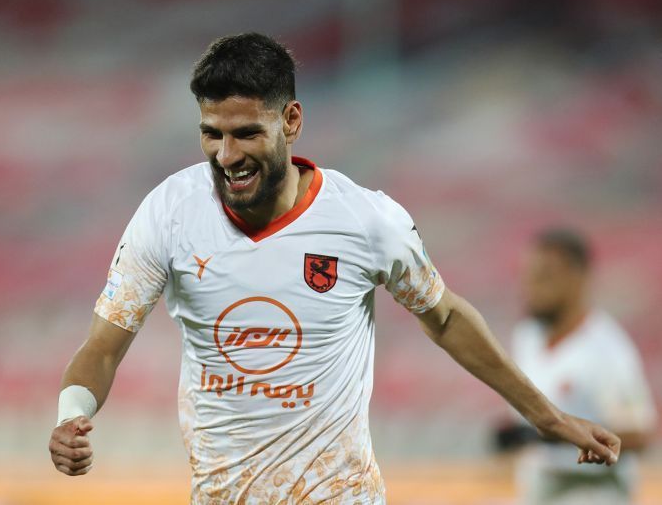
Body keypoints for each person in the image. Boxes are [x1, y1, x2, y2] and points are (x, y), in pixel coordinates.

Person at [48, 33, 621, 504]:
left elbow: (444, 318)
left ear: (291, 120)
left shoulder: (366, 221)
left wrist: (548, 418)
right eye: (211, 134)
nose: (226, 156)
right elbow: (104, 346)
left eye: (246, 133)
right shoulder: (169, 214)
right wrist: (72, 414)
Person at [506, 228, 657, 505]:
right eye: (528, 276)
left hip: (593, 489)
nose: (531, 287)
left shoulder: (607, 350)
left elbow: (640, 435)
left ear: (578, 278)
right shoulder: (527, 336)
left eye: (545, 276)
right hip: (539, 484)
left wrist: (558, 435)